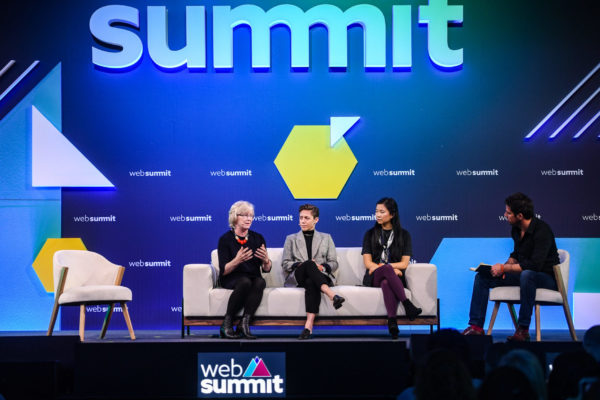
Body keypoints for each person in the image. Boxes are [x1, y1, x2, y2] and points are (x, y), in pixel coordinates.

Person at [462, 193, 559, 342]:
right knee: (482, 276)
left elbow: (535, 265)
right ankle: (476, 327)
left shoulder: (542, 230)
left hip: (546, 278)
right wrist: (504, 266)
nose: (505, 215)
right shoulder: (515, 229)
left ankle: (523, 329)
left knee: (528, 274)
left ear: (519, 215)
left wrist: (505, 269)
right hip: (525, 275)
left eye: (508, 212)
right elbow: (516, 254)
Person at [282, 204, 345, 340]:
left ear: (316, 220)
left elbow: (334, 262)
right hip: (299, 276)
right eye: (300, 218)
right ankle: (331, 294)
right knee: (309, 264)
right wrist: (302, 265)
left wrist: (321, 267)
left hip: (319, 276)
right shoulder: (291, 239)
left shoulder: (326, 238)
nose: (302, 221)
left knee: (312, 281)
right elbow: (285, 263)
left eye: (306, 218)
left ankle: (308, 326)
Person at [362, 197, 422, 339]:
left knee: (386, 282)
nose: (378, 215)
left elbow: (404, 264)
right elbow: (367, 263)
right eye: (376, 211)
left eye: (382, 211)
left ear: (392, 214)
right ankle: (407, 304)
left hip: (394, 278)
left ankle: (392, 322)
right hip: (373, 277)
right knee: (387, 271)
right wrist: (384, 269)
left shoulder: (404, 235)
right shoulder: (370, 234)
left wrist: (389, 268)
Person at [217, 201, 272, 339]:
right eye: (245, 215)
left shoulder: (257, 238)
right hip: (232, 278)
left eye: (251, 216)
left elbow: (266, 269)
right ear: (235, 217)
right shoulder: (225, 239)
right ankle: (226, 324)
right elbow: (223, 271)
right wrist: (237, 260)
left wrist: (266, 260)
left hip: (253, 276)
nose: (249, 219)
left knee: (260, 282)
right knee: (245, 282)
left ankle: (244, 324)